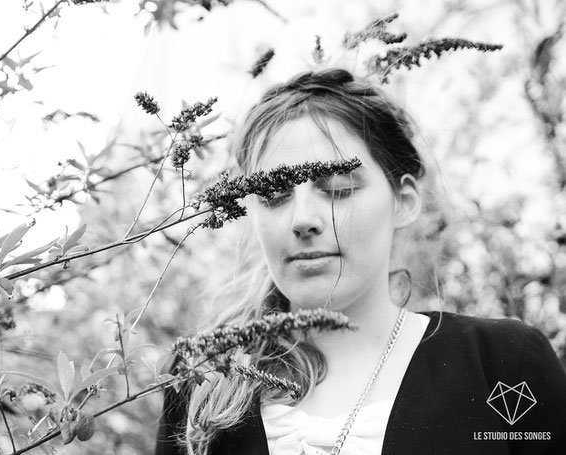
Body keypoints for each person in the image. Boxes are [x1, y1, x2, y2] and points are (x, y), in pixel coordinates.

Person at [154, 68, 566, 455]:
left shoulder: (504, 363)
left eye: (338, 189)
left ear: (403, 201)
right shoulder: (204, 380)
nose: (302, 220)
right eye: (274, 196)